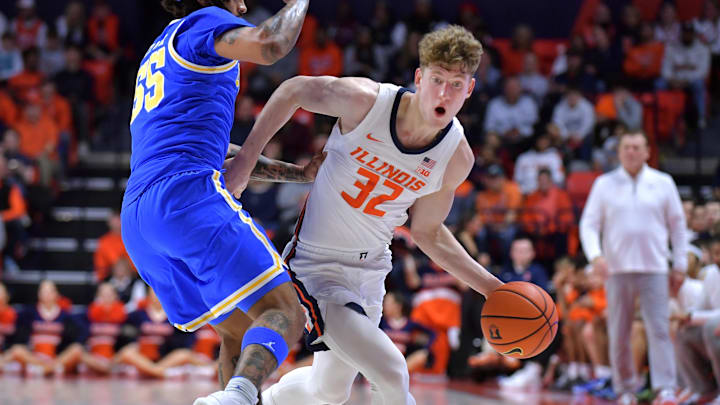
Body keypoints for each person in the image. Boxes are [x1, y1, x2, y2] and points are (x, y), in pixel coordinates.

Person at [221, 24, 504, 405]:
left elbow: (428, 232)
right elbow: (293, 91)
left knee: (329, 391)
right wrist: (246, 160)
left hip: (371, 272)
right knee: (391, 372)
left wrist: (493, 289)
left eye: (456, 84)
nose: (444, 92)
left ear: (469, 90)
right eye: (437, 79)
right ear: (419, 78)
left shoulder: (455, 157)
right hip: (315, 266)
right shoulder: (367, 102)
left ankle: (264, 401)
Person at [120, 1, 312, 404]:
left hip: (139, 215)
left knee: (238, 331)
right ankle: (233, 398)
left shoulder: (160, 48)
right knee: (285, 312)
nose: (243, 5)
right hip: (184, 197)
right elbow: (272, 42)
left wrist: (299, 174)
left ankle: (234, 397)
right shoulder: (204, 22)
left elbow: (215, 149)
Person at [580, 131, 687, 405]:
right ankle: (625, 389)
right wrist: (595, 256)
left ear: (647, 151)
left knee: (659, 329)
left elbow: (677, 226)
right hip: (616, 269)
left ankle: (665, 389)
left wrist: (680, 263)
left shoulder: (663, 183)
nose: (631, 152)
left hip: (655, 267)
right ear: (619, 152)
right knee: (619, 331)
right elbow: (589, 224)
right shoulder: (604, 184)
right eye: (626, 147)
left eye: (637, 147)